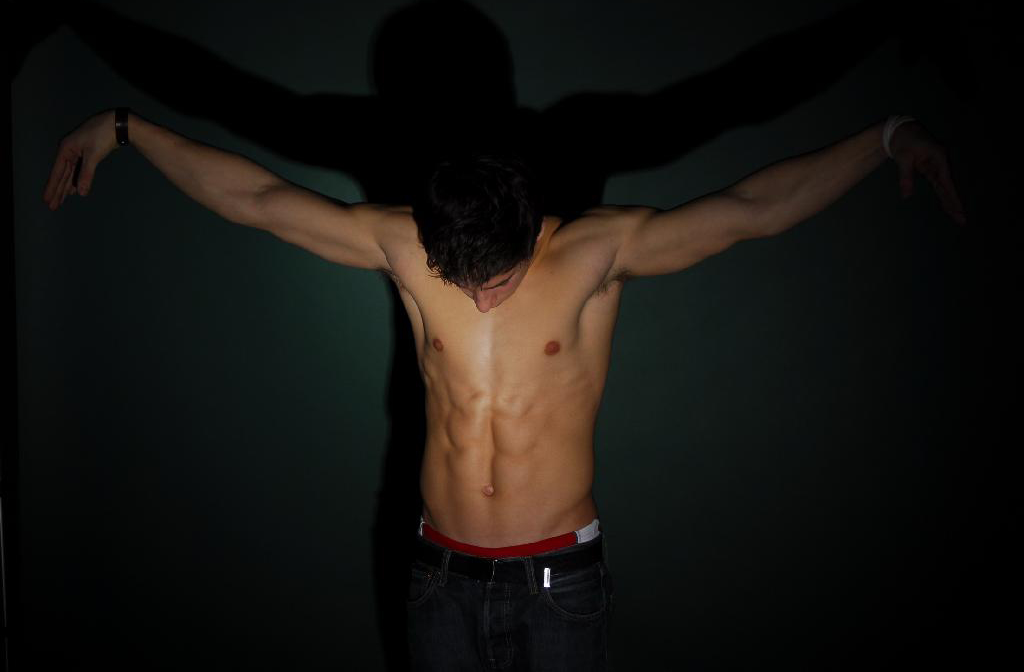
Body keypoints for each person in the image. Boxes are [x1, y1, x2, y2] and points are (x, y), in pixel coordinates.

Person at [43, 108, 965, 671]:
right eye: (464, 281)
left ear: (533, 230)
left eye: (500, 279)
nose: (482, 299)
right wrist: (125, 130)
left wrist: (888, 138)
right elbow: (258, 200)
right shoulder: (408, 246)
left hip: (559, 583)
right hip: (437, 577)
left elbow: (752, 210)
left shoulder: (600, 251)